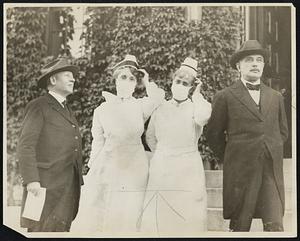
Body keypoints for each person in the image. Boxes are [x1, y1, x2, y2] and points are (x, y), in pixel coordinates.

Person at [71, 54, 165, 235]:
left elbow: (159, 97)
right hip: (109, 163)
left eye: (132, 78)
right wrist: (93, 166)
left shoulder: (140, 106)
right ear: (115, 80)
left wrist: (146, 81)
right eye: (123, 77)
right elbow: (98, 141)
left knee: (130, 212)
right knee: (105, 212)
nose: (128, 81)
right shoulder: (102, 110)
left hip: (135, 167)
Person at [206, 40, 289, 232]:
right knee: (241, 226)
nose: (255, 64)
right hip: (241, 173)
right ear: (238, 66)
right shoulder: (225, 96)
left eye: (259, 60)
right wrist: (232, 156)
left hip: (270, 172)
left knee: (275, 224)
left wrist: (271, 147)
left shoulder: (275, 97)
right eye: (249, 60)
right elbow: (213, 134)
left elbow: (282, 131)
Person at [139, 57, 212, 236]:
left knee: (186, 212)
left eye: (185, 83)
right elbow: (150, 136)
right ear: (172, 82)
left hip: (188, 166)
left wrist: (197, 95)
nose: (180, 85)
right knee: (161, 213)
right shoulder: (161, 107)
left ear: (191, 86)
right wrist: (163, 155)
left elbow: (203, 118)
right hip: (162, 164)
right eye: (177, 81)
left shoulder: (197, 107)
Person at [17, 58, 83, 232]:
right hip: (45, 188)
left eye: (73, 76)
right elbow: (26, 146)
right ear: (53, 80)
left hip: (68, 187)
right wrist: (31, 180)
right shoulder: (38, 106)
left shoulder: (67, 109)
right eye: (68, 75)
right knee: (42, 232)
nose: (73, 79)